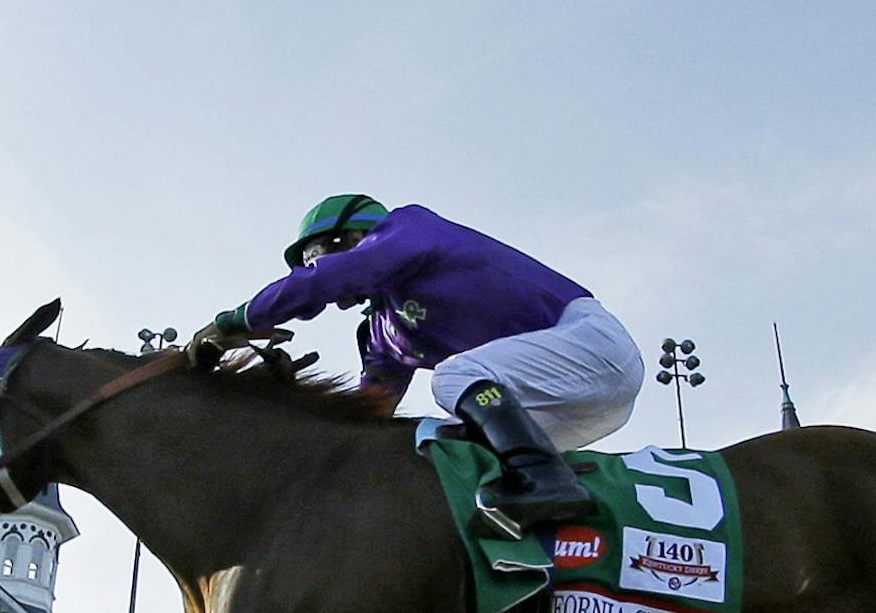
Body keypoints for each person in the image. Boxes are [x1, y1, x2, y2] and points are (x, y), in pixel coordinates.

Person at [192, 195, 644, 535]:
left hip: (590, 343)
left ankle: (547, 481)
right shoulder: (382, 333)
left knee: (455, 377)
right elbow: (369, 417)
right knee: (437, 441)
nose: (310, 269)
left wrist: (234, 323)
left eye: (313, 257)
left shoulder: (406, 228)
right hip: (571, 405)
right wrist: (293, 404)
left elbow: (329, 278)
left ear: (352, 239)